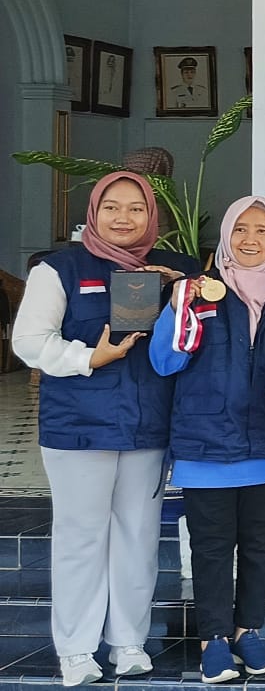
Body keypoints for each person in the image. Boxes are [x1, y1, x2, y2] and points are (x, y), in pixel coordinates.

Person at [12, 172, 198, 686]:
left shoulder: (177, 270)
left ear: (151, 215)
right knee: (81, 536)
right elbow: (30, 341)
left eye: (136, 208)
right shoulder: (61, 268)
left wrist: (180, 289)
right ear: (93, 212)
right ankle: (76, 649)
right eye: (112, 207)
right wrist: (87, 357)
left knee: (139, 535)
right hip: (79, 427)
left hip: (148, 425)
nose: (123, 217)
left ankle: (129, 641)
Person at [150, 198, 265, 683]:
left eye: (262, 230)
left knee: (262, 547)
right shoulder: (199, 291)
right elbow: (164, 362)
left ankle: (247, 632)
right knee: (212, 549)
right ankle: (213, 640)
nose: (250, 240)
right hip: (205, 446)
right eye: (240, 229)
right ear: (226, 236)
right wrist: (179, 309)